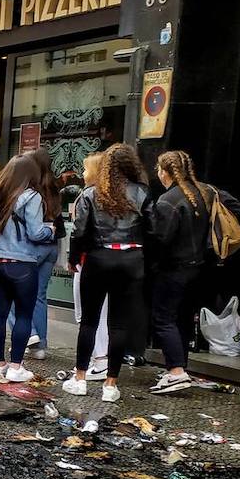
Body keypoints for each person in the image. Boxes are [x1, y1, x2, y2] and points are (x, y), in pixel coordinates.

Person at [61, 143, 152, 402]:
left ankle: (80, 378)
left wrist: (74, 258)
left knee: (89, 321)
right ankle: (111, 384)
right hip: (132, 258)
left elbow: (79, 230)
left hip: (99, 257)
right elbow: (152, 229)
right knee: (119, 323)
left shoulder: (92, 193)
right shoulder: (142, 193)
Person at [147, 151, 240, 394]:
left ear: (165, 172)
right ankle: (180, 367)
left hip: (172, 268)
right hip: (200, 266)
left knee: (164, 319)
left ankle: (176, 371)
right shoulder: (207, 191)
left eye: (159, 168)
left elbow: (161, 239)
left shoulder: (168, 200)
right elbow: (235, 205)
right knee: (183, 318)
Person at [0, 155, 57, 384]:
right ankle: (15, 367)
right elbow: (35, 232)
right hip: (21, 262)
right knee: (24, 313)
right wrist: (49, 230)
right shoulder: (31, 196)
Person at [11, 149, 62, 360]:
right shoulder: (54, 186)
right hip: (51, 247)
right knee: (40, 296)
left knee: (14, 294)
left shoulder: (31, 189)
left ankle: (28, 334)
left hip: (33, 246)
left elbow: (32, 228)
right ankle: (40, 346)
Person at [71, 152, 112, 382]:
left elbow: (79, 232)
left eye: (86, 169)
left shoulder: (87, 196)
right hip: (111, 261)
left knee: (85, 316)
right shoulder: (116, 197)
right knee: (103, 315)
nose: (82, 173)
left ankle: (96, 362)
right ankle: (101, 360)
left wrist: (73, 258)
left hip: (89, 262)